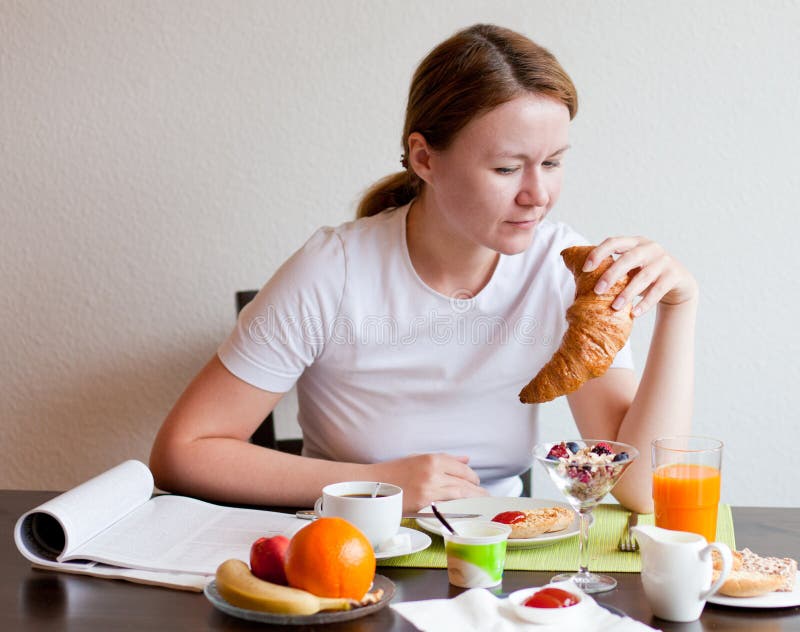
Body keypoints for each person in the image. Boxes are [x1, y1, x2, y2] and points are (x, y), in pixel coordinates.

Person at [150, 24, 697, 514]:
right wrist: (373, 483)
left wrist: (679, 309)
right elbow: (181, 453)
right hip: (353, 547)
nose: (537, 195)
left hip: (500, 552)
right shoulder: (332, 270)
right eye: (507, 167)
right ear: (425, 158)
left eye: (552, 163)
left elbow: (640, 489)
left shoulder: (562, 271)